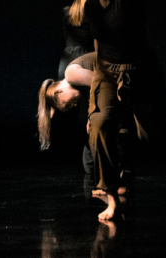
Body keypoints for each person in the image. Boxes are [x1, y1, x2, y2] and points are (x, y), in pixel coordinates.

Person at [78, 0, 162, 191]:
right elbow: (99, 44)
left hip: (140, 71)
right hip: (107, 70)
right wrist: (93, 101)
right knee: (100, 125)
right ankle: (109, 191)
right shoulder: (90, 6)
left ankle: (130, 149)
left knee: (148, 134)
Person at [36, 53, 119, 221]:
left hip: (119, 73)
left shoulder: (71, 74)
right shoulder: (76, 83)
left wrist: (92, 114)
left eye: (66, 104)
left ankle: (113, 188)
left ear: (59, 91)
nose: (72, 106)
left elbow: (103, 82)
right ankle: (108, 187)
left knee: (100, 132)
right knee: (90, 149)